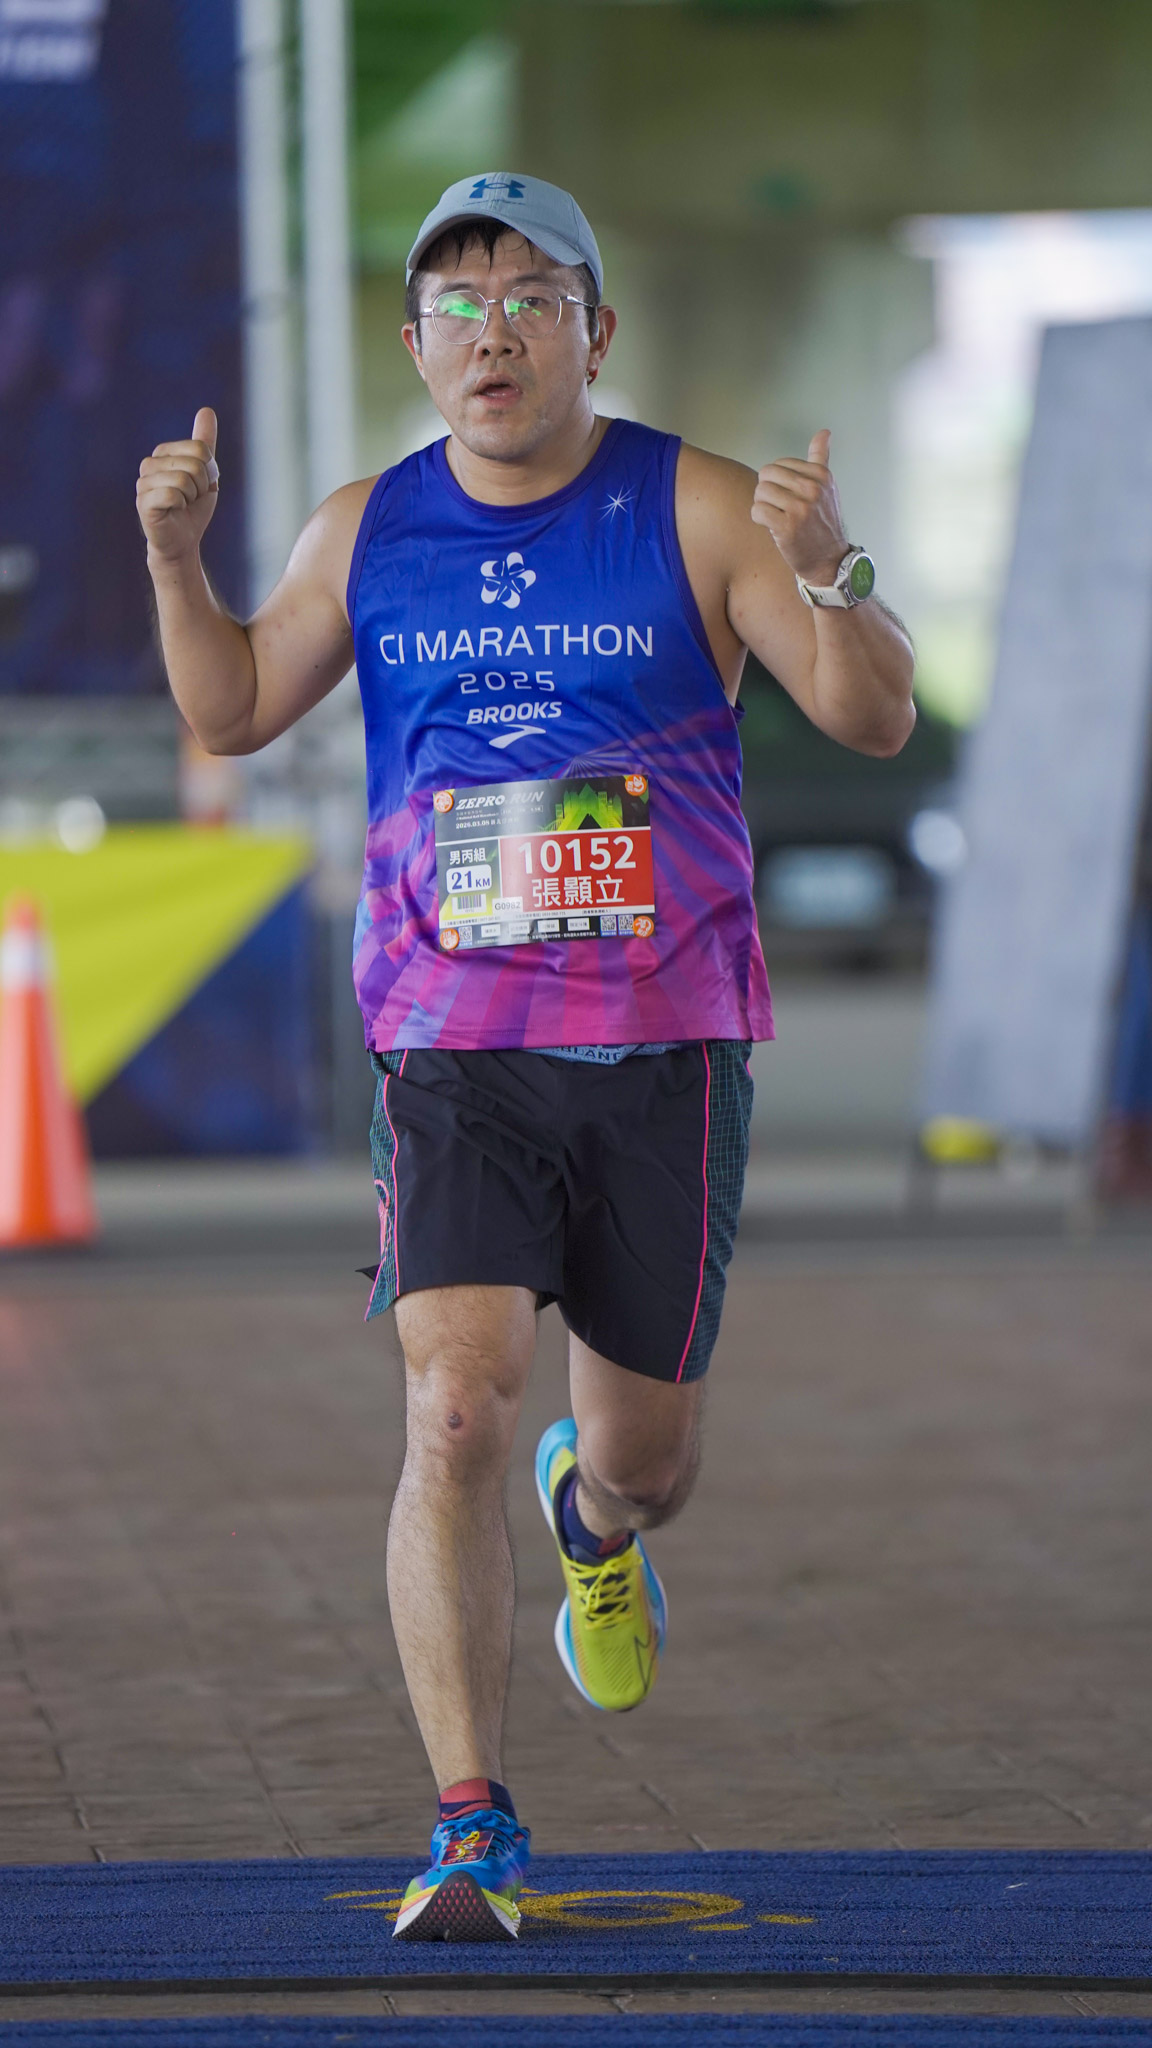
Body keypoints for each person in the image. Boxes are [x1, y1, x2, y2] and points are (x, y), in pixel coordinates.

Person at [136, 171, 914, 1943]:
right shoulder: (367, 530)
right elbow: (230, 708)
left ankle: (599, 1527)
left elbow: (868, 715)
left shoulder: (695, 505)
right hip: (451, 1040)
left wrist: (830, 569)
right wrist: (178, 560)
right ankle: (471, 1819)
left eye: (530, 301)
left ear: (594, 331)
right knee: (454, 1404)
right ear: (417, 347)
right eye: (459, 308)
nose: (493, 336)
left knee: (647, 1461)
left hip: (667, 1044)